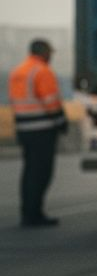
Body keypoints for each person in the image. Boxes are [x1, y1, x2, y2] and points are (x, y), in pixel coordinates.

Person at [8, 38, 67, 227]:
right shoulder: (42, 71)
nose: (51, 56)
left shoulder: (18, 71)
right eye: (50, 52)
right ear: (43, 52)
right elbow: (51, 102)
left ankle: (28, 212)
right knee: (41, 173)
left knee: (29, 173)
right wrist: (61, 122)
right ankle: (35, 215)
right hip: (42, 129)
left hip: (24, 129)